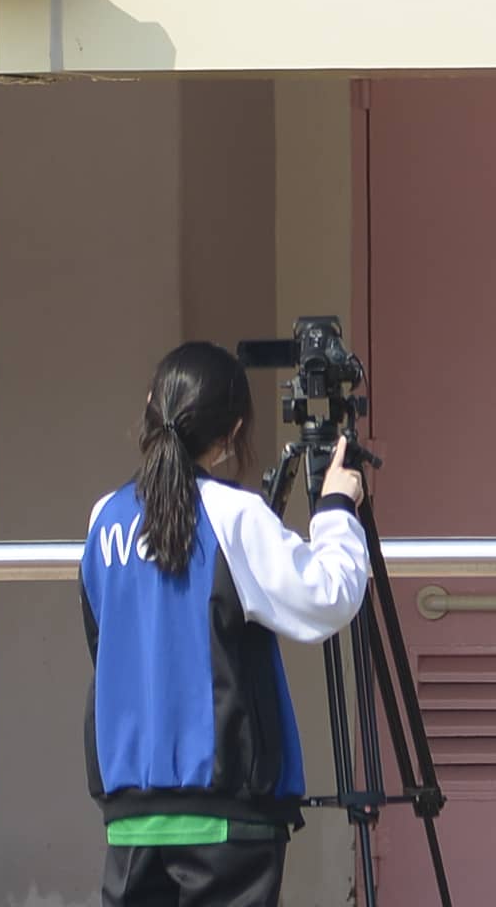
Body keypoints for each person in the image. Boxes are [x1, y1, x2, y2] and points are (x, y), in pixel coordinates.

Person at [79, 339, 372, 907]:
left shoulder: (103, 518)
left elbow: (103, 641)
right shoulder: (234, 514)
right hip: (226, 808)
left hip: (130, 811)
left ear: (150, 404)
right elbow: (327, 598)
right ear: (233, 430)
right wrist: (336, 508)